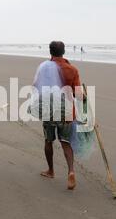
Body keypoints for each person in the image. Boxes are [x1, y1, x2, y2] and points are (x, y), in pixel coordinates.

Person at [32, 41, 83, 190]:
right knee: (66, 143)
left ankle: (51, 170)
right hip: (66, 111)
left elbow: (35, 84)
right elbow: (78, 95)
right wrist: (84, 98)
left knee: (48, 141)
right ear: (64, 51)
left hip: (49, 109)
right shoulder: (72, 69)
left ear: (50, 51)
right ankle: (71, 171)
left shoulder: (43, 68)